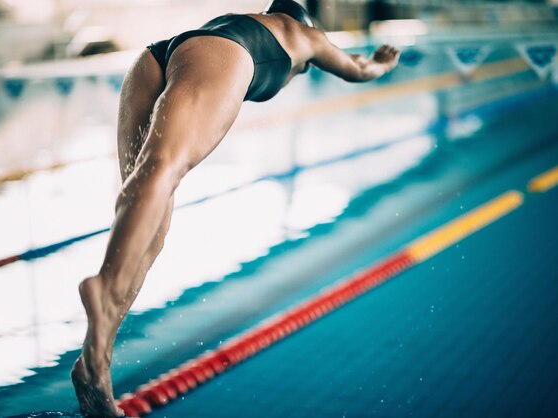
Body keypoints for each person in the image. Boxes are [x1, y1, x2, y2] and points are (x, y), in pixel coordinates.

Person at [71, 0, 400, 415]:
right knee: (163, 169)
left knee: (150, 221)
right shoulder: (306, 37)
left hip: (155, 57)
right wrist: (381, 64)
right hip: (220, 55)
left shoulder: (248, 23)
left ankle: (94, 366)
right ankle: (105, 286)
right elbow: (356, 68)